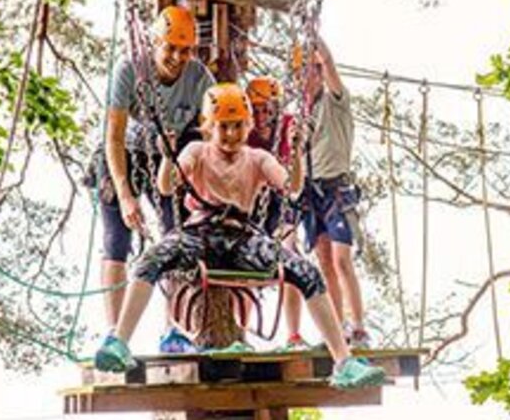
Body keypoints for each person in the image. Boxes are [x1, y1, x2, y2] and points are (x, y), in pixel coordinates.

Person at [94, 84, 385, 390]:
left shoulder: (258, 158)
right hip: (199, 234)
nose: (231, 134)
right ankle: (119, 340)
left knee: (306, 272)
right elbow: (167, 187)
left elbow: (292, 189)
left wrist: (297, 153)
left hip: (242, 238)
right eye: (223, 127)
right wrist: (168, 157)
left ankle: (343, 361)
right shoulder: (197, 151)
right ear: (209, 127)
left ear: (247, 126)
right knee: (149, 260)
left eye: (237, 126)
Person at [94, 5, 214, 353]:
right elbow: (114, 136)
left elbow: (209, 135)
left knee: (175, 236)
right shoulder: (129, 70)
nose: (177, 58)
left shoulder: (199, 78)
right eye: (170, 48)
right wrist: (125, 194)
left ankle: (173, 328)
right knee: (117, 238)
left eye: (185, 50)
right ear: (155, 43)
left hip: (169, 156)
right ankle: (115, 334)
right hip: (125, 153)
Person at [300, 38, 370, 348]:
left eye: (311, 72)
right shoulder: (302, 115)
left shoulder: (336, 102)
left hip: (336, 188)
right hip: (313, 192)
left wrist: (314, 38)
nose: (306, 80)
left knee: (342, 260)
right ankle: (337, 327)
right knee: (325, 262)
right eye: (301, 75)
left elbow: (329, 64)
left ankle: (359, 327)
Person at [245, 76, 307, 350]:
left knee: (290, 257)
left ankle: (293, 334)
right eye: (255, 110)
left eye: (266, 110)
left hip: (281, 201)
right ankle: (241, 332)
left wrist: (297, 148)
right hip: (253, 202)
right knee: (244, 264)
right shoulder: (242, 130)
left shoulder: (287, 127)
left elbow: (295, 185)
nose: (260, 117)